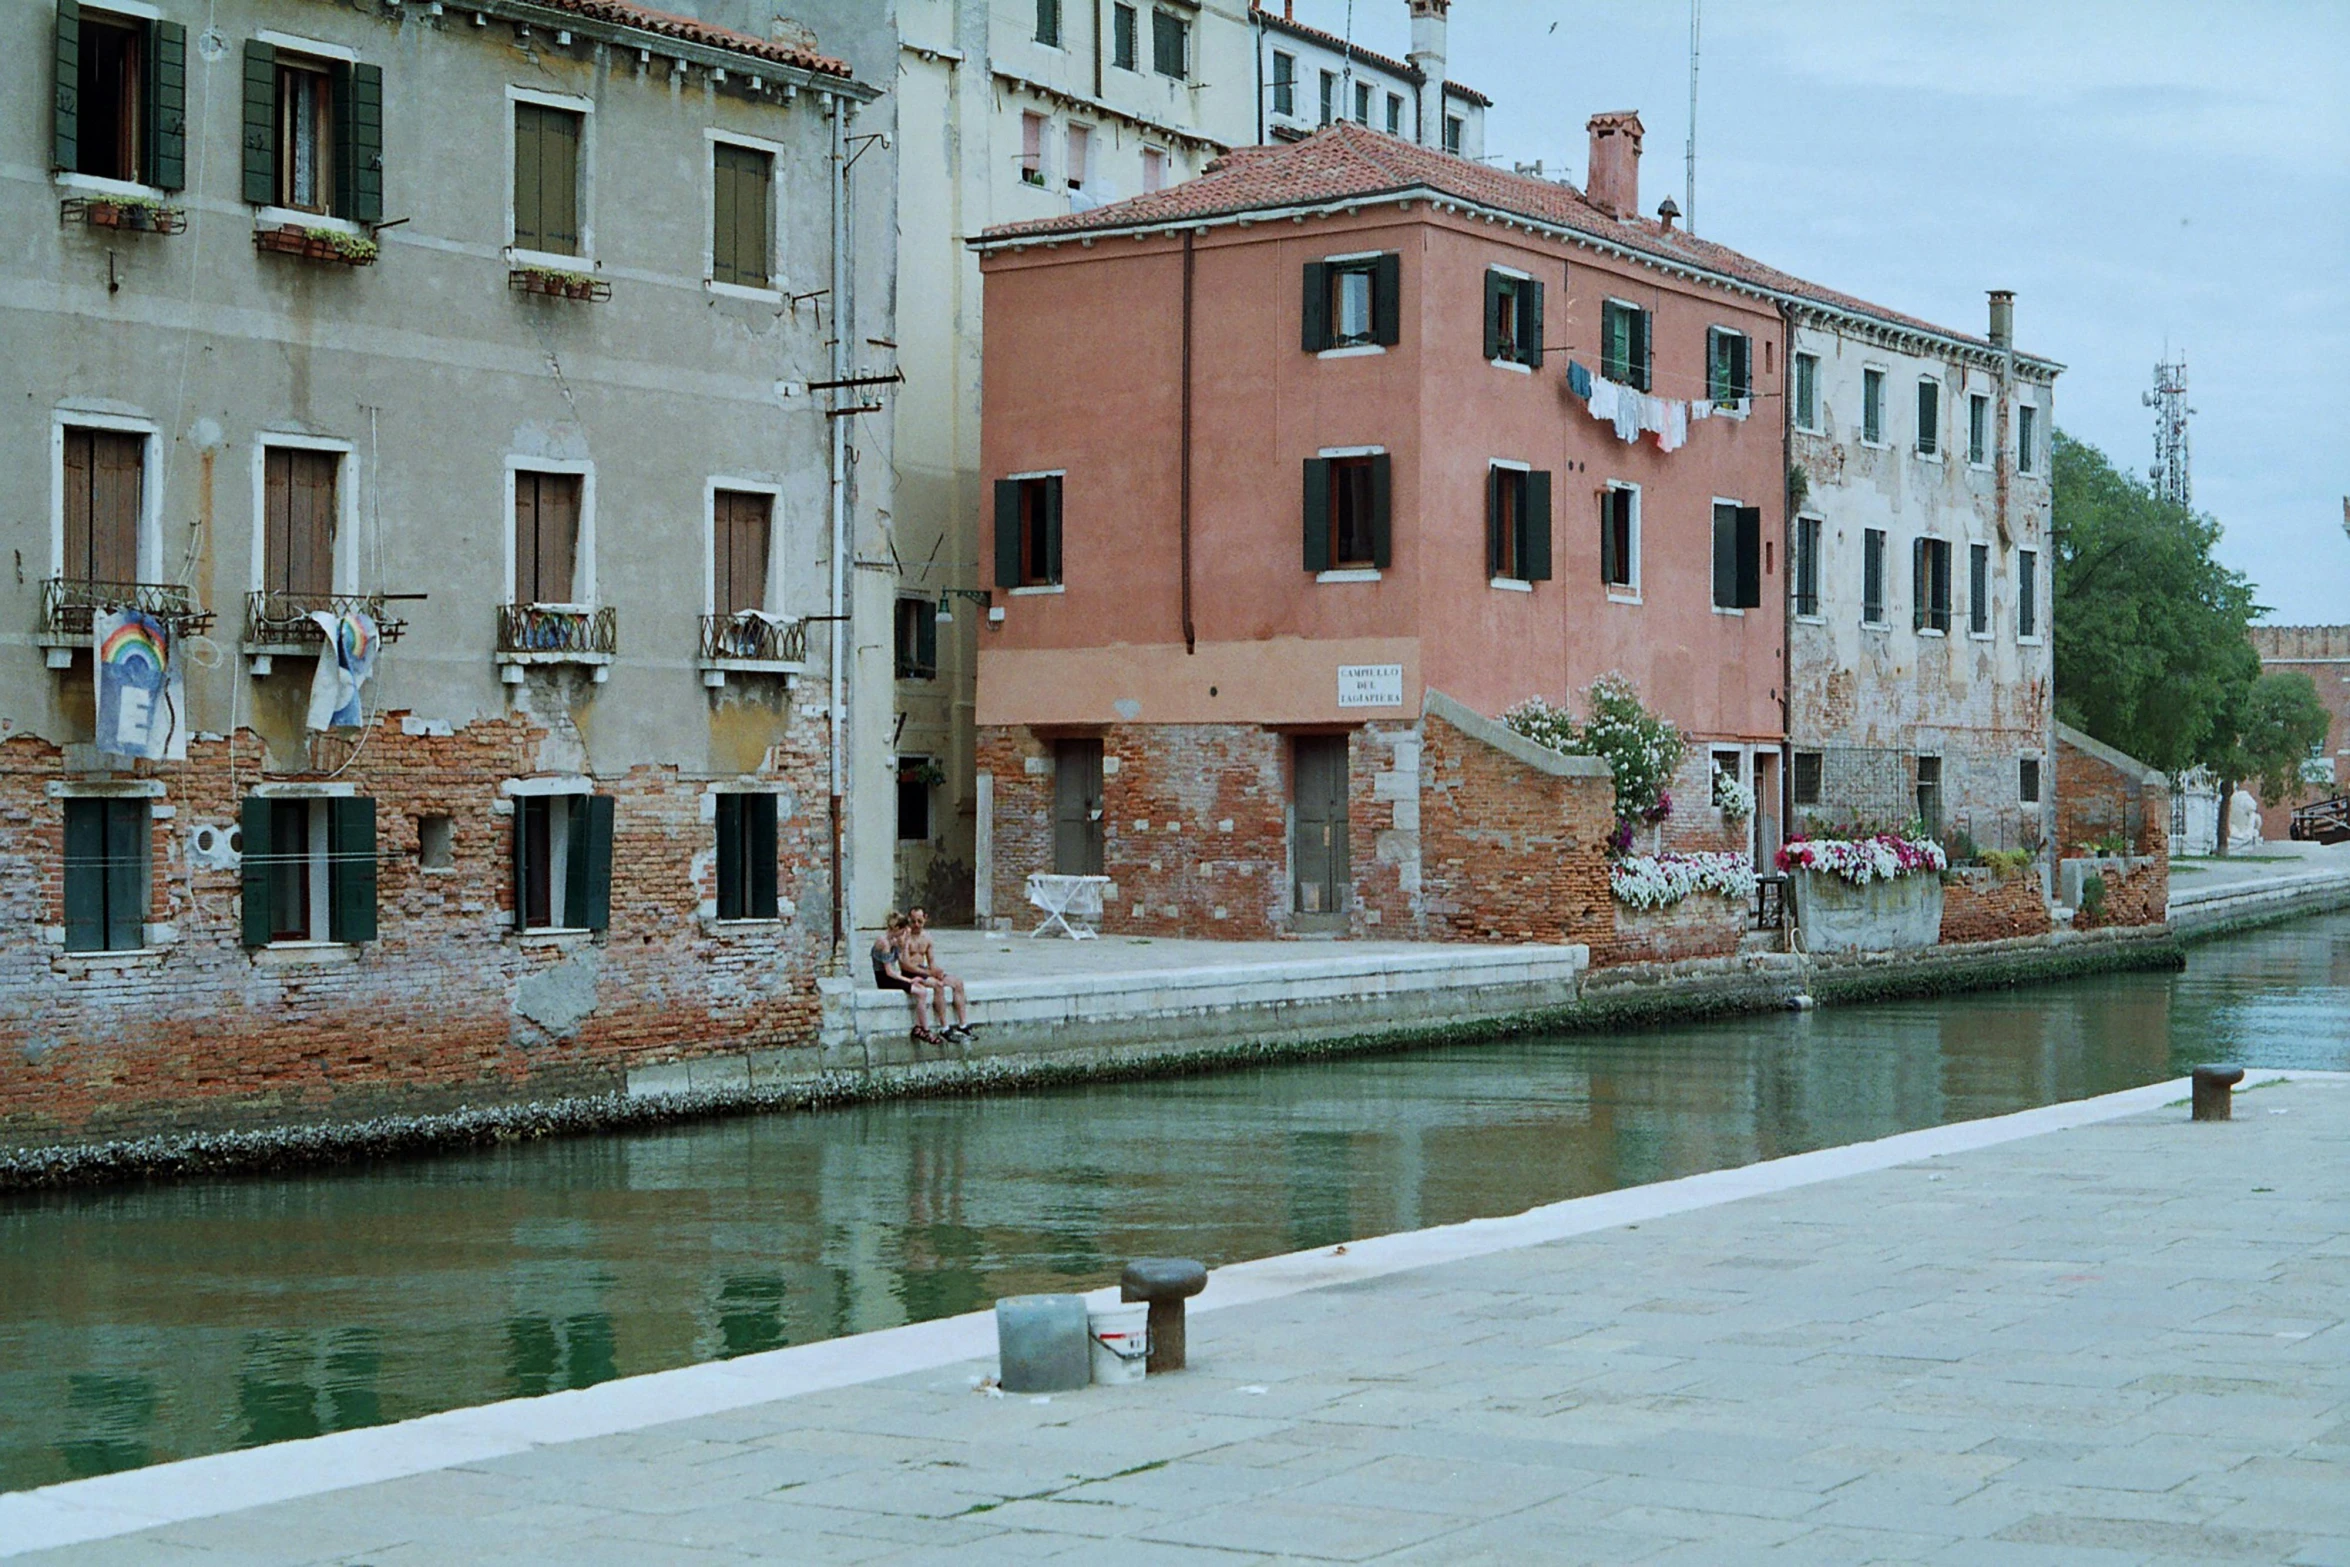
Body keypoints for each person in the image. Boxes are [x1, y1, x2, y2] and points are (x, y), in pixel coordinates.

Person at [901, 907, 972, 1041]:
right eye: (913, 921)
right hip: (910, 973)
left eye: (920, 921)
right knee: (938, 985)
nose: (916, 925)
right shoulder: (905, 937)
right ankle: (944, 1027)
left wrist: (937, 971)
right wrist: (928, 972)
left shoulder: (927, 937)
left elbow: (931, 961)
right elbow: (905, 964)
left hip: (924, 970)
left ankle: (963, 1024)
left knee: (958, 983)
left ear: (925, 919)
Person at [871, 913, 941, 1043]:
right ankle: (925, 1030)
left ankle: (919, 1026)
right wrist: (909, 980)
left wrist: (904, 944)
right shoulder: (884, 942)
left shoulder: (893, 941)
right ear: (897, 928)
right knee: (921, 992)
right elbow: (889, 972)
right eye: (903, 930)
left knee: (921, 989)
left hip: (891, 975)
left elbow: (903, 961)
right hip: (884, 978)